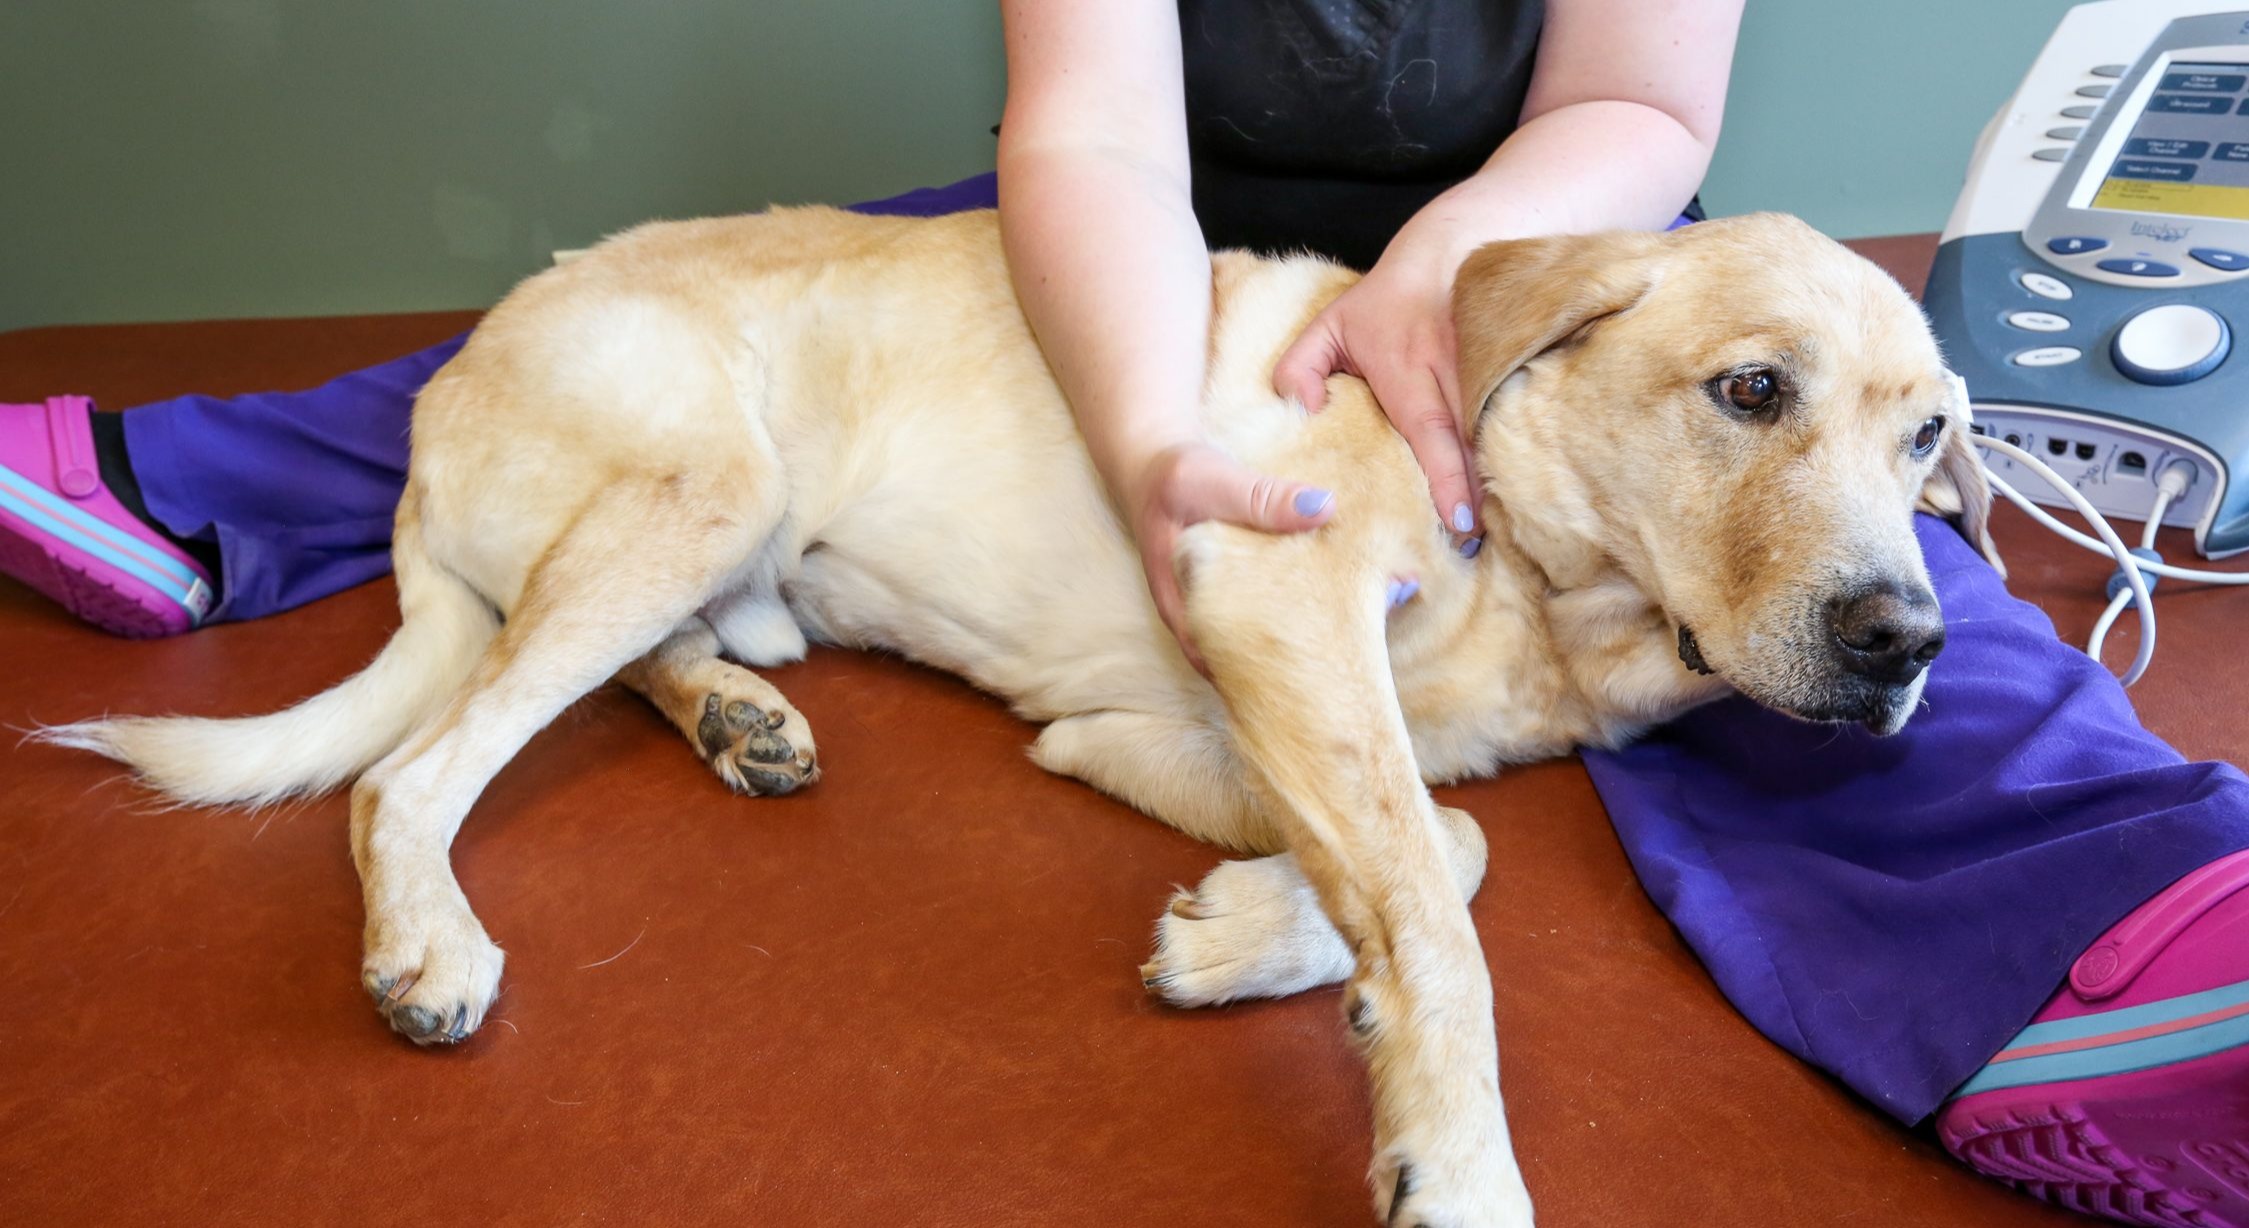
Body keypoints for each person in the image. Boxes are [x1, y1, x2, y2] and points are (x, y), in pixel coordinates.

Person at [3, 3, 2244, 1220]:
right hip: (1142, 236)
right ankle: (162, 482)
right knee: (636, 349)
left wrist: (1448, 305)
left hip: (1515, 254)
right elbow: (1081, 140)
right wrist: (1157, 429)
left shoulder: (1675, 353)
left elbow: (1649, 104)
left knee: (1877, 608)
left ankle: (2140, 918)